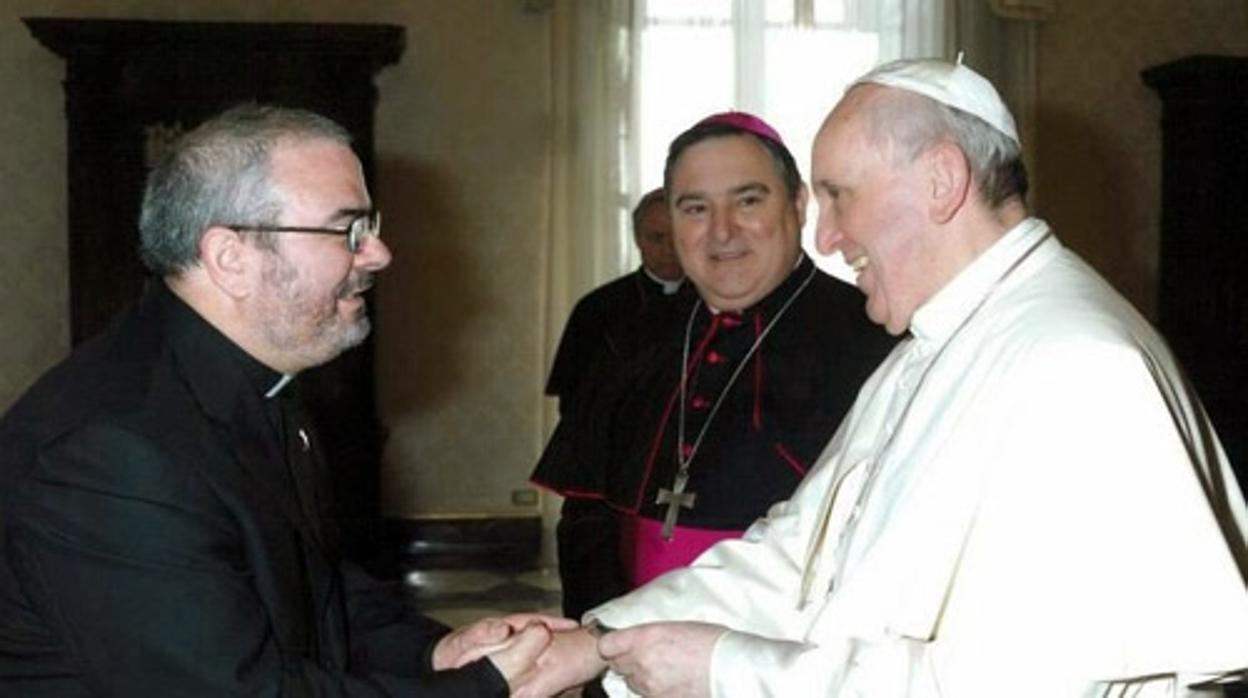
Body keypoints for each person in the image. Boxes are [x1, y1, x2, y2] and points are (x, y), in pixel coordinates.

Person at [516, 59, 1248, 698]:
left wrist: (727, 672)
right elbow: (797, 555)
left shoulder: (1077, 365)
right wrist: (596, 643)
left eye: (840, 196)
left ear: (940, 181)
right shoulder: (934, 339)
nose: (827, 237)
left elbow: (1014, 685)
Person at [0, 104, 572, 696]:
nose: (378, 254)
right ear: (230, 258)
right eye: (347, 229)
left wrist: (433, 649)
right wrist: (487, 687)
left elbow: (311, 588)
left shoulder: (250, 380)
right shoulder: (113, 452)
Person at [532, 112, 895, 619]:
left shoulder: (873, 338)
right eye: (696, 208)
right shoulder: (632, 337)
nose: (722, 232)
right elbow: (586, 517)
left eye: (748, 201)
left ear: (797, 205)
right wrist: (604, 643)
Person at [535, 188, 692, 621]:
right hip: (608, 475)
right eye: (655, 237)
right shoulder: (600, 308)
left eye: (676, 237)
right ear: (638, 239)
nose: (667, 250)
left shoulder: (716, 304)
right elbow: (575, 406)